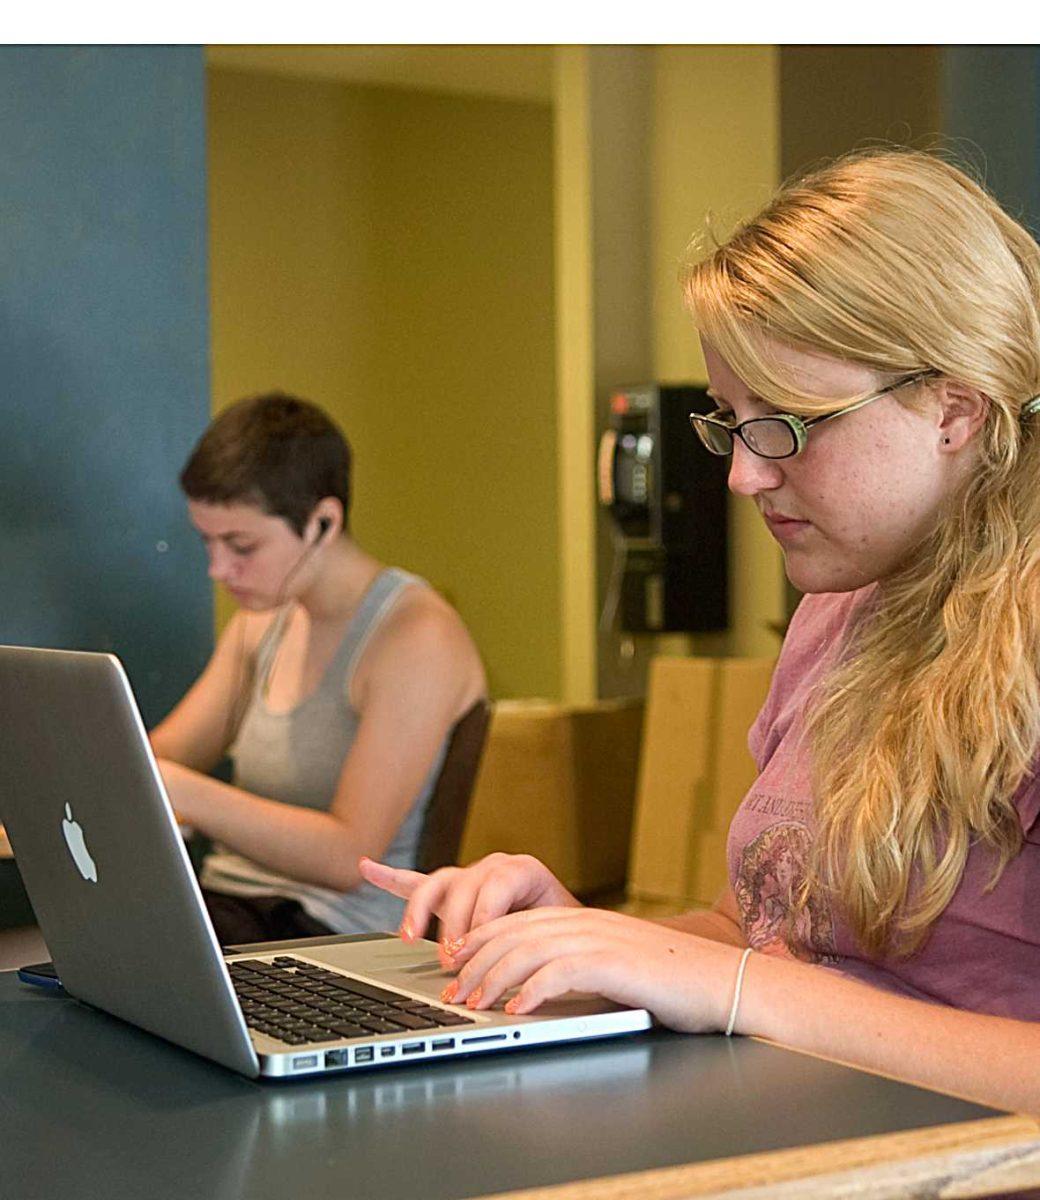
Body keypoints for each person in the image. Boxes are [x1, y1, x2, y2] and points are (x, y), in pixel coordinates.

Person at [360, 148, 1040, 1113]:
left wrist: (730, 986)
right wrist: (595, 945)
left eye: (790, 425)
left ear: (955, 411)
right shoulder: (839, 615)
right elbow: (760, 935)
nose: (743, 476)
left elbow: (761, 985)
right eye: (731, 421)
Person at [150, 392, 486, 944]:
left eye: (241, 545)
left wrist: (185, 794)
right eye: (207, 542)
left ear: (322, 523)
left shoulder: (417, 636)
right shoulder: (262, 625)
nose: (218, 568)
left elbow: (347, 855)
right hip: (225, 906)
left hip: (329, 929)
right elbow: (160, 760)